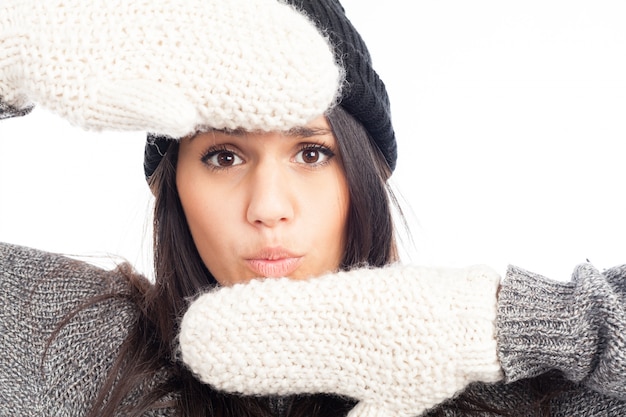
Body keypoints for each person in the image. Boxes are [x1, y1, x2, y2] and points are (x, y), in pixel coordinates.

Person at [1, 1, 626, 416]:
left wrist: (510, 325)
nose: (268, 208)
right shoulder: (73, 344)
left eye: (310, 153)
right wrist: (14, 47)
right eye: (222, 155)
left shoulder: (503, 387)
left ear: (365, 172)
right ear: (170, 187)